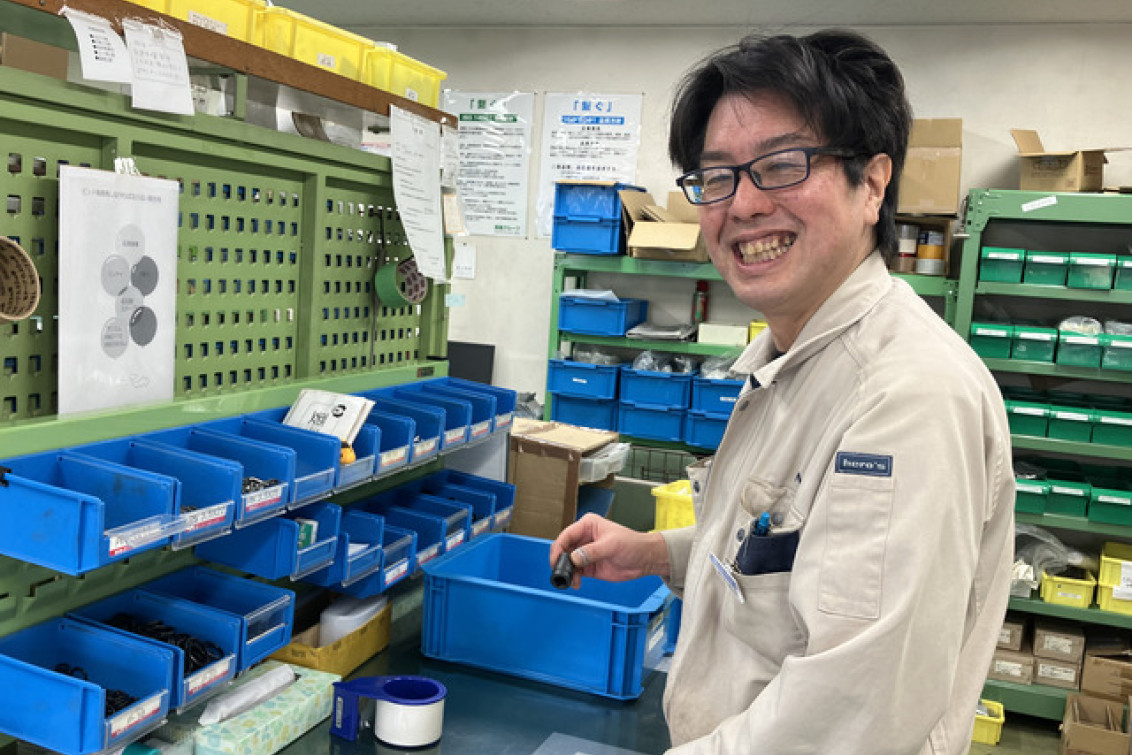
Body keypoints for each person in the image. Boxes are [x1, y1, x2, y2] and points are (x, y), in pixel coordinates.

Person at [551, 29, 1014, 755]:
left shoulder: (907, 398)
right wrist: (657, 552)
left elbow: (850, 712)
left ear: (872, 184)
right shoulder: (794, 359)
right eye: (717, 176)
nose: (741, 205)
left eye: (780, 166)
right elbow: (793, 558)